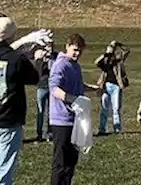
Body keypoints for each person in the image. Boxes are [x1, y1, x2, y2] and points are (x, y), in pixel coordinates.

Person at [0, 16, 41, 185]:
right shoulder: (17, 59)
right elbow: (34, 78)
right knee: (3, 172)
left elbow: (3, 51)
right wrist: (38, 59)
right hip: (8, 120)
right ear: (11, 35)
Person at [49, 33, 102, 185]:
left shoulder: (75, 66)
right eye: (75, 50)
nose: (77, 54)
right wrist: (73, 99)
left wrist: (92, 88)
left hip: (76, 119)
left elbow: (78, 87)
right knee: (60, 163)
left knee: (71, 162)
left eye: (80, 51)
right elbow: (54, 89)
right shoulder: (60, 65)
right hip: (61, 120)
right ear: (67, 47)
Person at [93, 40, 129, 135]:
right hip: (105, 86)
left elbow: (127, 51)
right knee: (104, 108)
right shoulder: (105, 60)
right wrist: (105, 53)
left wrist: (118, 44)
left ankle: (117, 129)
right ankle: (102, 129)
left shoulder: (118, 59)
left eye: (112, 48)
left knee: (116, 108)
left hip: (116, 86)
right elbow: (96, 62)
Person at [34, 36, 58, 142]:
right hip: (41, 87)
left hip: (52, 87)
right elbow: (37, 73)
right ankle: (39, 133)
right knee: (40, 111)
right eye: (48, 46)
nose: (50, 49)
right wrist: (42, 61)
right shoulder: (40, 58)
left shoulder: (55, 57)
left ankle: (50, 133)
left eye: (51, 46)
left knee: (51, 111)